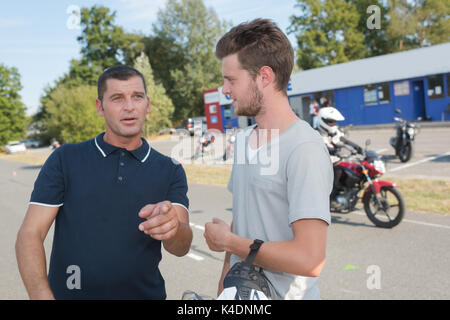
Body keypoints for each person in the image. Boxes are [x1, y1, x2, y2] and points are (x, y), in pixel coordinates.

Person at [15, 65, 193, 300]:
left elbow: (181, 247)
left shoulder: (170, 169)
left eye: (137, 97)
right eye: (117, 98)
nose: (129, 107)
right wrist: (41, 296)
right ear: (100, 107)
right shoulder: (65, 158)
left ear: (147, 105)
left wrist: (173, 229)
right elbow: (30, 234)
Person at [203, 19, 333, 300]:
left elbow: (310, 260)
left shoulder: (304, 148)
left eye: (231, 79)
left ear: (264, 77)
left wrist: (230, 242)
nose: (224, 89)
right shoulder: (242, 140)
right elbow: (241, 224)